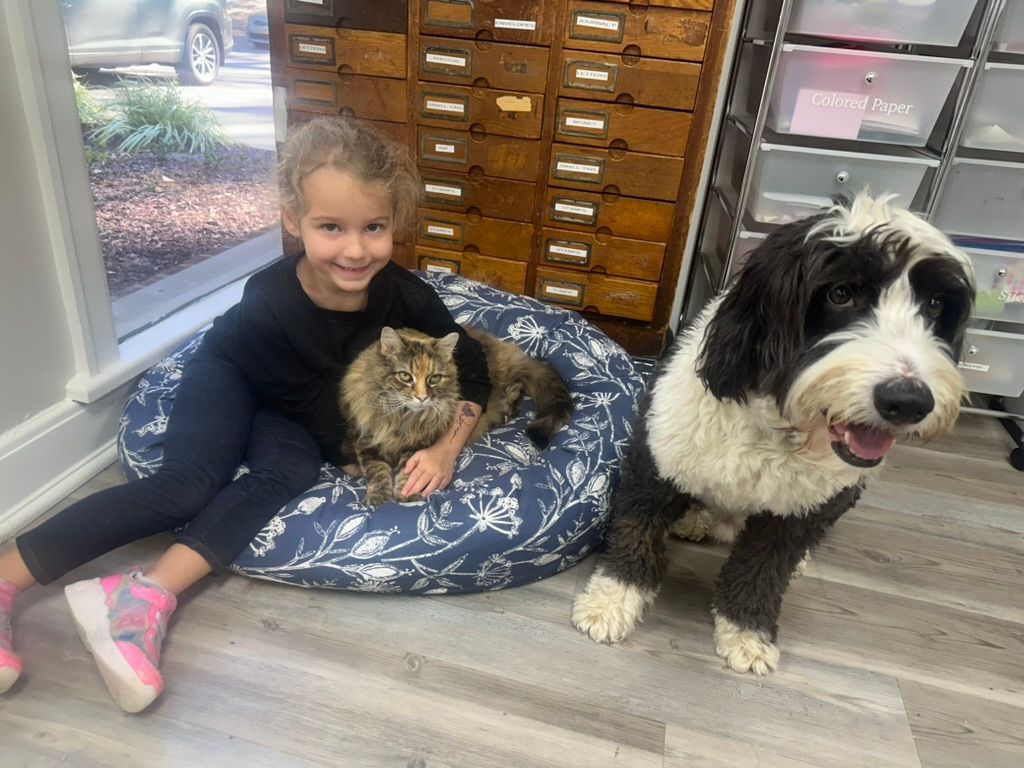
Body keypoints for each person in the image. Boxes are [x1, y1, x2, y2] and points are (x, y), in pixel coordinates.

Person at [0, 116, 491, 712]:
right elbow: (324, 420)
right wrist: (363, 453)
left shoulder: (406, 292)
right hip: (236, 376)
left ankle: (139, 599)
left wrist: (445, 448)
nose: (357, 249)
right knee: (184, 489)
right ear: (293, 220)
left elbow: (472, 362)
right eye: (331, 227)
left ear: (394, 225)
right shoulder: (269, 304)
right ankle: (7, 578)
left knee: (288, 472)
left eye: (375, 227)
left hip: (305, 399)